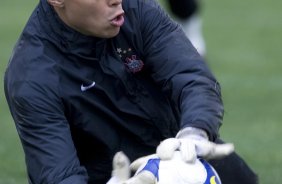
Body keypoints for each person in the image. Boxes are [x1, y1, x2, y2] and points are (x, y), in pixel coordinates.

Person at [4, 0, 258, 183]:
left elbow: (191, 76)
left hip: (179, 153)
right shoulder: (31, 77)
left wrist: (195, 132)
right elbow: (59, 175)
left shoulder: (136, 9)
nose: (116, 1)